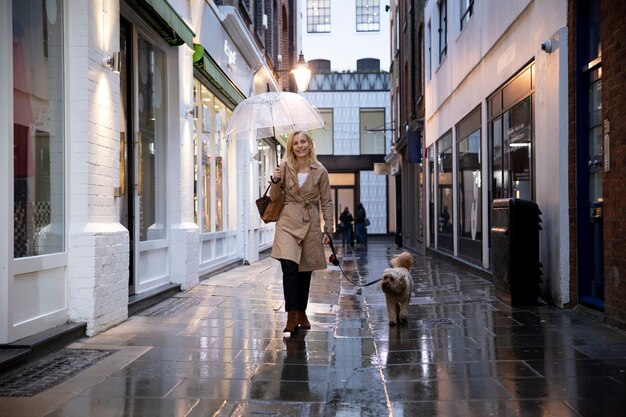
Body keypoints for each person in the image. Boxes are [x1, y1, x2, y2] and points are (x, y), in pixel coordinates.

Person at [270, 131, 334, 333]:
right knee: (289, 268)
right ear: (291, 147)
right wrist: (275, 179)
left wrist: (328, 228)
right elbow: (273, 197)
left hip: (310, 222)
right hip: (287, 221)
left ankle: (302, 312)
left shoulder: (320, 170)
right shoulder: (284, 167)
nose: (299, 146)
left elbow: (326, 201)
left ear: (310, 144)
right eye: (295, 143)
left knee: (304, 270)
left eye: (303, 142)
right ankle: (291, 315)